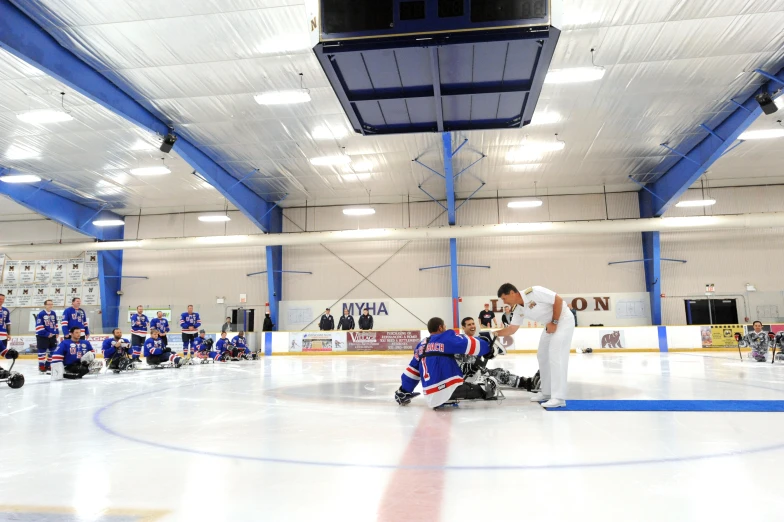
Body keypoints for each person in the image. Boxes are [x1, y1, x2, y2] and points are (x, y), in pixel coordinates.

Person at [494, 283, 575, 408]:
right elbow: (512, 329)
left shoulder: (533, 292)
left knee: (556, 355)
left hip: (563, 320)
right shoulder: (518, 309)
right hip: (550, 324)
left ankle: (559, 398)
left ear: (512, 293)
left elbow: (558, 300)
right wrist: (493, 334)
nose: (504, 302)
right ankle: (547, 393)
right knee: (542, 356)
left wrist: (554, 322)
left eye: (504, 298)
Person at [394, 317, 503, 408]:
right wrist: (489, 348)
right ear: (440, 327)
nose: (446, 328)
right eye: (444, 326)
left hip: (429, 395)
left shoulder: (421, 345)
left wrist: (404, 391)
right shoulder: (446, 338)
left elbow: (412, 372)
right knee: (488, 386)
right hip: (449, 390)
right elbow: (469, 344)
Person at [460, 317, 540, 391]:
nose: (472, 326)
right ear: (463, 328)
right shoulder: (461, 342)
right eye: (469, 325)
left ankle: (526, 381)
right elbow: (460, 365)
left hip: (477, 370)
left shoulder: (476, 340)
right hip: (470, 375)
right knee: (499, 374)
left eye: (473, 324)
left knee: (500, 370)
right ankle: (528, 384)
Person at [35, 300, 59, 374]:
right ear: (45, 305)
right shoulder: (41, 314)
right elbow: (39, 326)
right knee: (42, 351)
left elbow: (55, 323)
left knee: (53, 351)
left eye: (51, 304)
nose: (50, 305)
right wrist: (46, 333)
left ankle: (48, 364)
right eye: (48, 304)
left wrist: (57, 332)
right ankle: (41, 366)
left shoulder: (53, 313)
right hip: (42, 336)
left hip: (52, 336)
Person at [0, 294, 11, 365]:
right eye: (0, 299)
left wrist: (8, 334)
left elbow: (8, 323)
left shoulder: (6, 310)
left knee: (2, 351)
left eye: (3, 299)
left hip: (3, 334)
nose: (1, 301)